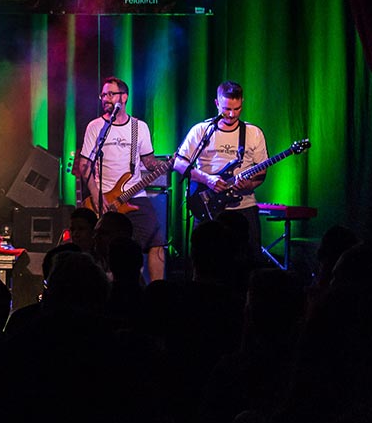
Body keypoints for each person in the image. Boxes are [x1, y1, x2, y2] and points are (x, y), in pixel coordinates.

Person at [73, 77, 168, 281]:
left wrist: (164, 165)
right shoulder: (96, 127)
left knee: (157, 241)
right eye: (103, 95)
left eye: (110, 94)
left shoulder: (139, 127)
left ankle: (156, 291)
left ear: (124, 97)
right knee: (103, 246)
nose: (105, 98)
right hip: (104, 198)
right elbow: (84, 165)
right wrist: (97, 195)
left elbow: (148, 161)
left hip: (135, 194)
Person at [174, 80, 268, 261]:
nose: (231, 114)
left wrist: (249, 184)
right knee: (205, 260)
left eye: (237, 109)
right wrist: (207, 179)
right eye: (226, 109)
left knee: (248, 260)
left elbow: (261, 173)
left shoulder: (253, 133)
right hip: (207, 204)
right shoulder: (201, 130)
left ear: (242, 102)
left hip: (244, 208)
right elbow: (179, 163)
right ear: (217, 103)